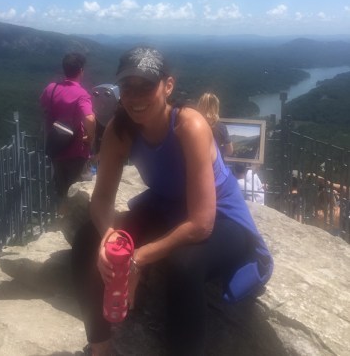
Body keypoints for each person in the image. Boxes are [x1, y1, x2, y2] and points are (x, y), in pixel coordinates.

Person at [72, 46, 273, 356]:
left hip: (222, 217)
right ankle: (100, 348)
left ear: (168, 86)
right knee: (88, 238)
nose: (135, 97)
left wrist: (137, 259)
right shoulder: (120, 130)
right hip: (167, 207)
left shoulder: (189, 126)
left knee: (184, 265)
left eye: (146, 86)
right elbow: (101, 200)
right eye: (127, 87)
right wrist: (108, 236)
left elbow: (202, 223)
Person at [40, 52, 95, 211]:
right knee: (80, 192)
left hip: (57, 149)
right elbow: (90, 118)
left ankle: (63, 218)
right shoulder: (81, 94)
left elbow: (43, 105)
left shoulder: (51, 88)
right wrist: (90, 137)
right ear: (81, 71)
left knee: (62, 192)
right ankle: (78, 222)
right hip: (77, 152)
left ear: (65, 69)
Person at [197, 91, 234, 157]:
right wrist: (220, 151)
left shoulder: (194, 125)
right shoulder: (221, 127)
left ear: (200, 106)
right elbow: (230, 151)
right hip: (214, 162)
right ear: (216, 108)